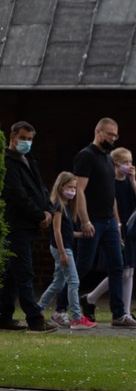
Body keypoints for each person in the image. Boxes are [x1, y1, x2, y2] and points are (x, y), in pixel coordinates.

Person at [74, 118, 136, 328]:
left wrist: (117, 223)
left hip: (110, 221)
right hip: (93, 220)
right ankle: (61, 307)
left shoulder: (106, 159)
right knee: (83, 266)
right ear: (98, 131)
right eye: (109, 134)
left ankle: (119, 314)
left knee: (118, 266)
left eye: (115, 135)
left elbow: (111, 195)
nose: (112, 138)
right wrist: (84, 220)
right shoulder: (86, 156)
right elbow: (79, 191)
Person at [0, 121, 58, 333]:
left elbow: (41, 189)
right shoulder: (8, 163)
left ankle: (4, 315)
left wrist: (49, 210)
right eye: (23, 138)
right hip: (17, 224)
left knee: (13, 275)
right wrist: (38, 214)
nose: (26, 143)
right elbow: (17, 195)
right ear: (12, 137)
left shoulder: (28, 160)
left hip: (29, 224)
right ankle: (35, 318)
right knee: (24, 272)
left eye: (30, 139)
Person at [37, 172, 97, 330]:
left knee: (58, 283)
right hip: (62, 249)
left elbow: (65, 232)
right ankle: (77, 318)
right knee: (74, 281)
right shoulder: (58, 206)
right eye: (70, 187)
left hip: (64, 247)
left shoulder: (65, 206)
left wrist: (81, 235)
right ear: (61, 186)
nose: (73, 190)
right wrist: (63, 253)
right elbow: (56, 232)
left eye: (75, 187)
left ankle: (38, 309)